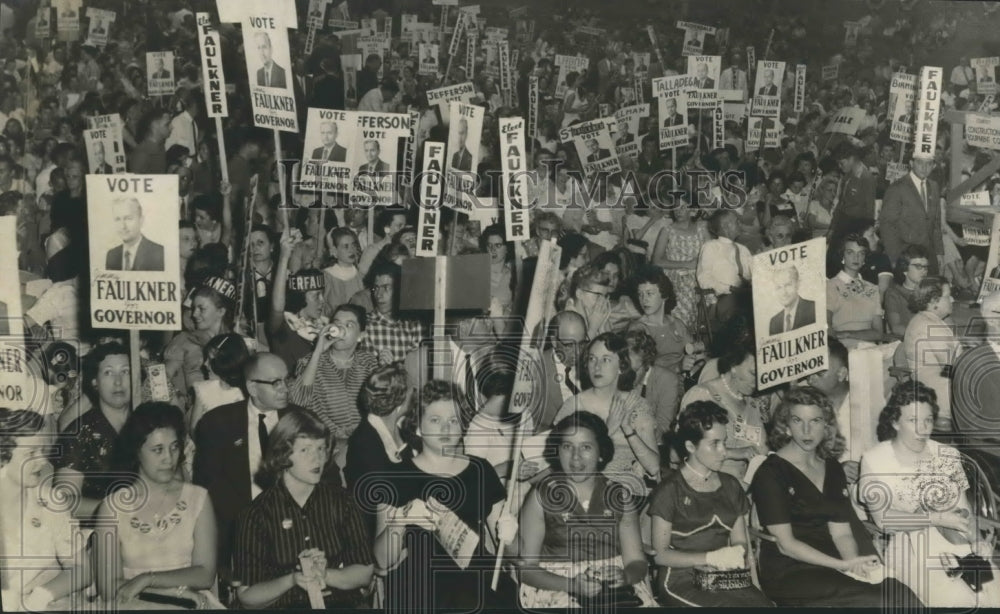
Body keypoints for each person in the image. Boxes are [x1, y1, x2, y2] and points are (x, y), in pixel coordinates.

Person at [749, 387, 922, 607]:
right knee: (876, 600)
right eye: (797, 420)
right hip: (790, 570)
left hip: (833, 564)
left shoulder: (832, 468)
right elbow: (786, 545)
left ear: (827, 425)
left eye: (815, 421)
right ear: (786, 426)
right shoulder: (770, 472)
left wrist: (854, 564)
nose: (806, 430)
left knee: (901, 594)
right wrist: (843, 565)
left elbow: (841, 534)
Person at [373, 381, 514, 610]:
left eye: (453, 420)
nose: (447, 430)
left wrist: (509, 532)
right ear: (418, 426)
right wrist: (401, 520)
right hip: (421, 584)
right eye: (435, 420)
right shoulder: (395, 477)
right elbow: (382, 560)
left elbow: (512, 551)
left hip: (477, 577)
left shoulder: (480, 470)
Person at [860, 381, 1000, 607]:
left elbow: (963, 511)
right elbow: (883, 520)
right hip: (912, 549)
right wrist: (936, 519)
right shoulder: (875, 460)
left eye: (928, 420)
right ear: (895, 422)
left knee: (994, 597)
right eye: (913, 420)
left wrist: (976, 540)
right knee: (958, 601)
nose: (923, 429)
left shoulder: (948, 455)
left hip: (956, 541)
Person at [233, 408, 374, 608]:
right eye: (305, 450)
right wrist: (293, 580)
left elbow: (365, 572)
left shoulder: (342, 501)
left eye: (321, 448)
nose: (317, 459)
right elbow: (247, 597)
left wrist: (326, 575)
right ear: (282, 453)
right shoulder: (256, 514)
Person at [518, 412, 657, 608]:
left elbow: (637, 562)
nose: (575, 457)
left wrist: (625, 576)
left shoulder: (620, 497)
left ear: (601, 452)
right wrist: (572, 585)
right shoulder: (541, 496)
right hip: (558, 588)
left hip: (615, 592)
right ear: (557, 451)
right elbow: (526, 570)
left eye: (586, 447)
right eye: (567, 447)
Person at [93, 403, 221, 608]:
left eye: (174, 447)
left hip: (191, 604)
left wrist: (148, 579)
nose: (168, 459)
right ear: (136, 451)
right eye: (157, 450)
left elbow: (205, 574)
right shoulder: (112, 507)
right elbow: (108, 588)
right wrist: (169, 592)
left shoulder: (198, 498)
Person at [193, 352, 303, 586]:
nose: (285, 388)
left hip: (298, 530)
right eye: (275, 383)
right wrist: (252, 526)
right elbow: (209, 486)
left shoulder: (301, 421)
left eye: (286, 379)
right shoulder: (217, 423)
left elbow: (325, 480)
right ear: (252, 387)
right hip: (240, 532)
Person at [649, 402, 773, 607]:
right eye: (714, 444)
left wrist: (734, 560)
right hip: (681, 580)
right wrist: (711, 558)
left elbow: (741, 542)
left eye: (724, 442)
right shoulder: (670, 490)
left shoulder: (731, 485)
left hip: (725, 577)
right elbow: (661, 556)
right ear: (690, 446)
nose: (724, 451)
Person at [0, 409, 92, 612]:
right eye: (31, 453)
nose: (42, 461)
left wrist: (42, 595)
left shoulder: (50, 501)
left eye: (42, 451)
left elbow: (83, 569)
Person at [551, 333, 659, 496]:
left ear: (622, 366)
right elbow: (560, 462)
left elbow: (654, 467)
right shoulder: (573, 406)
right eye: (592, 359)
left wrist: (628, 429)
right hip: (585, 490)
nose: (597, 367)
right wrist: (607, 431)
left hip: (632, 492)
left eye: (606, 360)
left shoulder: (636, 405)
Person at [289, 306, 378, 469]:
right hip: (324, 444)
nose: (341, 328)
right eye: (337, 323)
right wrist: (318, 351)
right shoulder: (310, 362)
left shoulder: (369, 362)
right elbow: (299, 401)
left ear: (361, 336)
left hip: (363, 443)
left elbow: (379, 407)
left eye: (349, 325)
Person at [54, 342, 132, 520]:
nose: (118, 381)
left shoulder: (148, 423)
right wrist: (114, 510)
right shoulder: (79, 432)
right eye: (108, 372)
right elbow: (62, 501)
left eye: (125, 371)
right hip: (99, 532)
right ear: (95, 382)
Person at [680, 343, 767, 483]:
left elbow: (761, 448)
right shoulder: (703, 394)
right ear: (733, 367)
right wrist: (734, 453)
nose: (757, 380)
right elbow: (687, 445)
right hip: (708, 484)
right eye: (752, 373)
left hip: (742, 489)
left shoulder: (752, 404)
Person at [626, 266, 692, 436]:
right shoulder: (638, 329)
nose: (643, 300)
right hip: (652, 391)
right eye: (640, 294)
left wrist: (696, 358)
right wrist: (678, 367)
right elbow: (641, 369)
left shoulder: (676, 324)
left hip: (681, 387)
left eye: (649, 293)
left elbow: (692, 353)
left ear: (664, 294)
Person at [165, 277, 238, 402]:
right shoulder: (184, 341)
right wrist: (178, 399)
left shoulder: (236, 343)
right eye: (194, 308)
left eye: (201, 309)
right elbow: (160, 381)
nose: (194, 314)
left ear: (221, 311)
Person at [902, 277, 960, 428]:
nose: (952, 299)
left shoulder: (922, 319)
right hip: (941, 394)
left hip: (928, 388)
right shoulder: (932, 326)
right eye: (948, 296)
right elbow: (956, 366)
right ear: (934, 301)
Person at [269, 234, 328, 371]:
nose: (323, 301)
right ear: (300, 298)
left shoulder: (325, 327)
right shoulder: (284, 328)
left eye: (322, 295)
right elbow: (277, 307)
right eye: (316, 296)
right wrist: (284, 257)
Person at [879, 155, 944, 274]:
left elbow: (936, 222)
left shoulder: (934, 187)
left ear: (934, 166)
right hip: (906, 256)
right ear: (911, 163)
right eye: (920, 163)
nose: (924, 168)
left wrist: (939, 252)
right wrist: (895, 258)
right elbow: (887, 225)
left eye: (929, 164)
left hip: (929, 255)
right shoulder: (897, 188)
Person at [826, 233, 884, 346]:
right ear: (842, 256)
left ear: (865, 258)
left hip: (869, 348)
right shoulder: (830, 286)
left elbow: (878, 333)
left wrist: (848, 334)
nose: (856, 257)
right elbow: (826, 329)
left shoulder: (872, 289)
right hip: (842, 348)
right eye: (850, 252)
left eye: (861, 253)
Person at [189, 332, 249, 432]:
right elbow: (194, 429)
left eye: (210, 359)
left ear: (227, 361)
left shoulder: (245, 393)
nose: (205, 364)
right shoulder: (203, 390)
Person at [105, 197, 165, 272]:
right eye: (118, 219)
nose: (122, 226)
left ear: (141, 221)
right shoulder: (112, 255)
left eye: (128, 218)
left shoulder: (159, 253)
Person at [884, 246, 930, 337]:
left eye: (925, 267)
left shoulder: (930, 291)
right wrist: (924, 336)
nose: (924, 271)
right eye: (918, 266)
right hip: (908, 342)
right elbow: (896, 328)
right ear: (904, 269)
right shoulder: (893, 294)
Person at [767, 265, 817, 334]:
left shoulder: (814, 309)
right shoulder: (774, 322)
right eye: (778, 287)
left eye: (788, 285)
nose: (784, 292)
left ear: (798, 284)